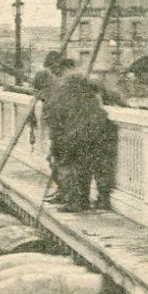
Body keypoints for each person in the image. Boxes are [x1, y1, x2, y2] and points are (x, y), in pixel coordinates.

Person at [42, 74, 117, 212]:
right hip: (98, 134)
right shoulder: (89, 97)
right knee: (88, 169)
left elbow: (54, 124)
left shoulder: (56, 98)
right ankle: (92, 201)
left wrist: (56, 146)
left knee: (71, 168)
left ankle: (76, 202)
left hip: (78, 136)